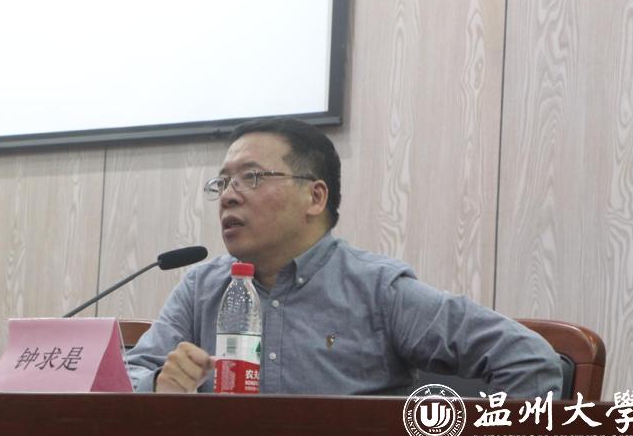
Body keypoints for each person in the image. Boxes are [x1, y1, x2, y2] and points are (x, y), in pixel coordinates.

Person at [125, 117, 563, 398]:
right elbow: (123, 378)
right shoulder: (203, 288)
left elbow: (529, 361)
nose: (229, 196)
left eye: (252, 177)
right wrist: (158, 384)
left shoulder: (378, 290)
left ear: (315, 197)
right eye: (222, 183)